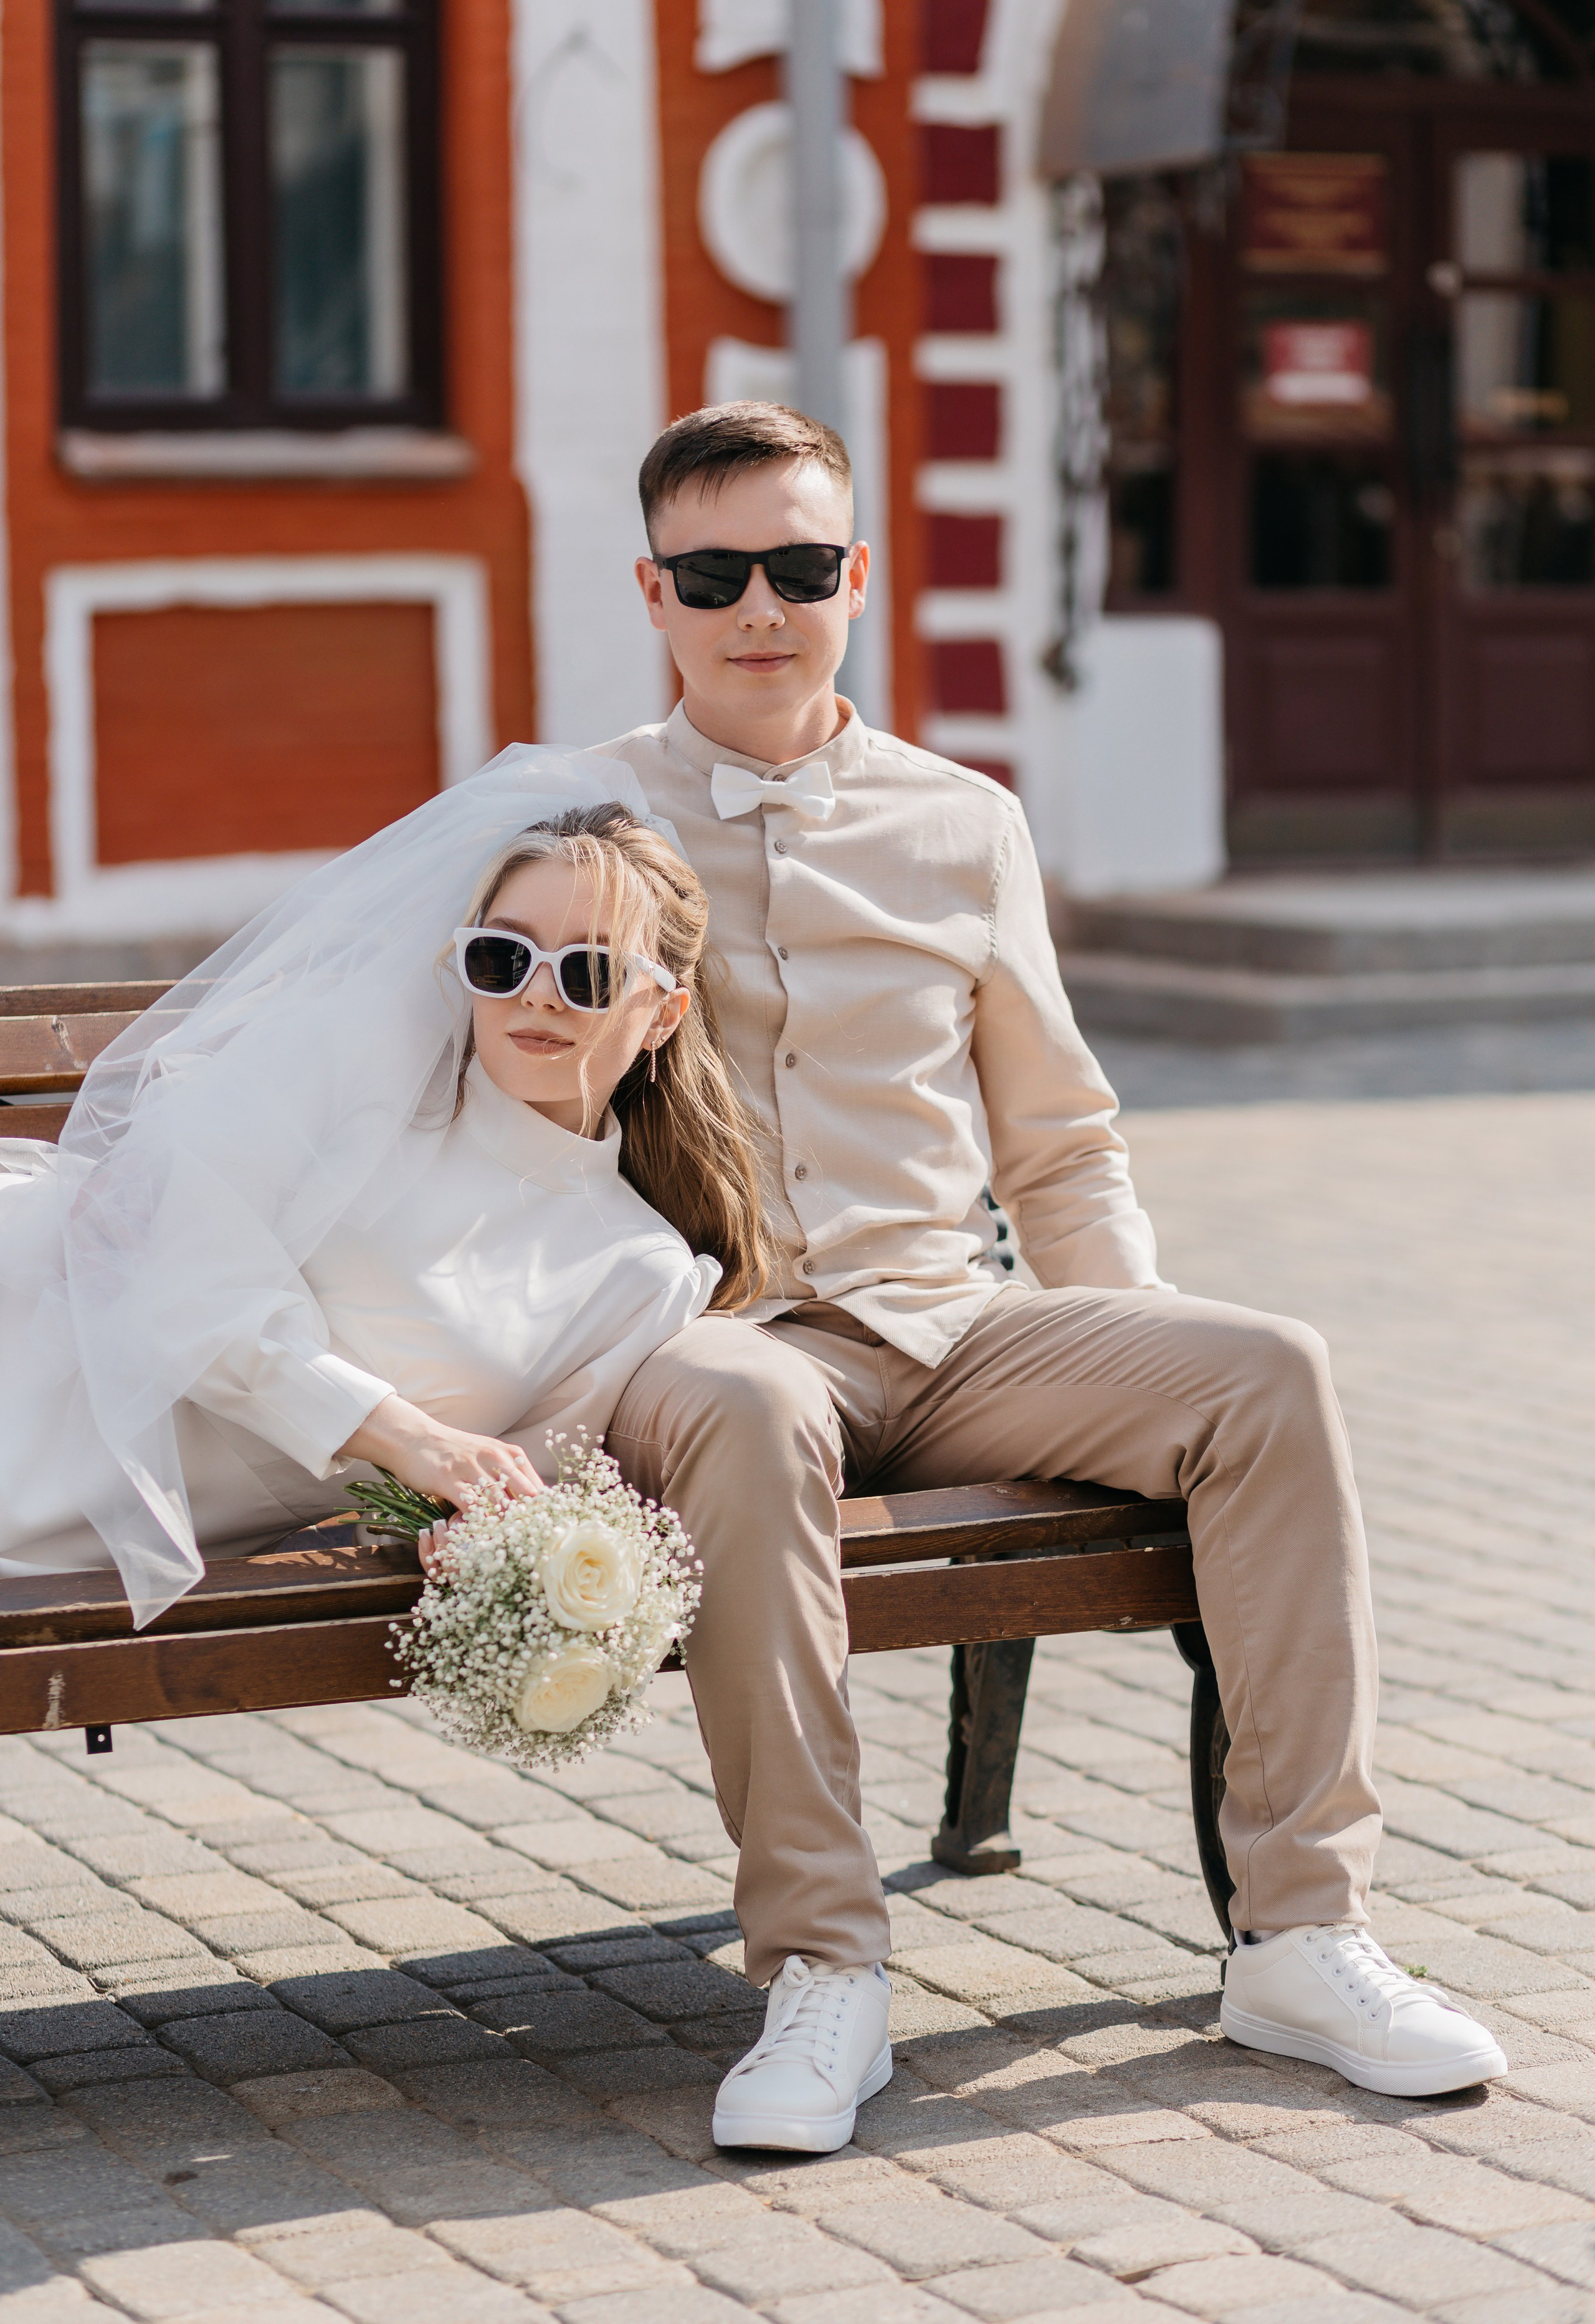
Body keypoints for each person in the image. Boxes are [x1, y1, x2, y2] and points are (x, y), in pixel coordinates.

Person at [595, 401, 1507, 2156]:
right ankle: (825, 1966)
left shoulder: (968, 824)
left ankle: (1300, 1939)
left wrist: (1130, 1351)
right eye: (713, 576)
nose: (760, 607)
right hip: (729, 1336)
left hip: (953, 1326)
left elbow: (1061, 1143)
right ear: (654, 592)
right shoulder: (580, 820)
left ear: (857, 577)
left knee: (1266, 1365)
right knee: (740, 1396)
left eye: (798, 566)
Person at [0, 752, 766, 1628]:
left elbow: (509, 1495)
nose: (537, 995)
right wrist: (409, 1437)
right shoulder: (364, 1065)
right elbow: (173, 1269)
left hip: (115, 1526)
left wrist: (469, 1532)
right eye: (503, 957)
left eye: (588, 971)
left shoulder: (641, 1274)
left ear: (664, 1013)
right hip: (33, 1352)